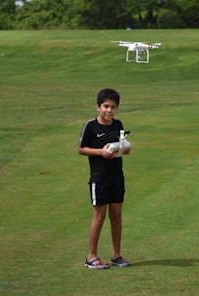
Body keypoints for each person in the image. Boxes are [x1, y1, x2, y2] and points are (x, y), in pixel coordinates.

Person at [77, 88, 132, 270]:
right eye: (106, 106)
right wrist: (100, 152)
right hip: (99, 179)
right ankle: (91, 257)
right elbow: (81, 149)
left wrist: (126, 148)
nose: (109, 110)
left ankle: (116, 256)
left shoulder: (118, 125)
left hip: (117, 177)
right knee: (99, 217)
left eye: (113, 107)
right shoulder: (91, 126)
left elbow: (122, 146)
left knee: (116, 217)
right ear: (98, 107)